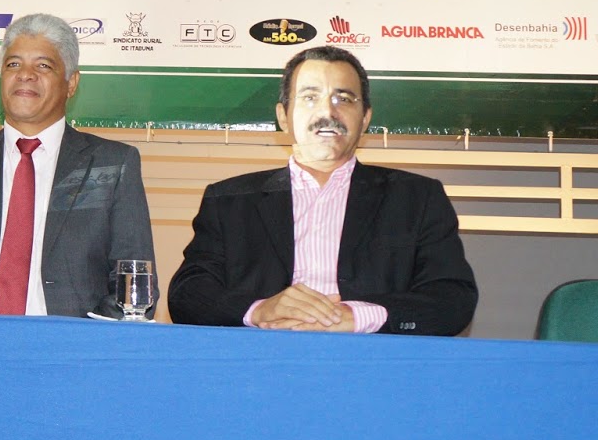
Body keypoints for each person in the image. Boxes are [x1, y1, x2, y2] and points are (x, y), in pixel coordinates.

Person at [168, 46, 476, 335]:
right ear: (283, 116)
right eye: (309, 97)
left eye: (344, 98)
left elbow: (453, 299)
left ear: (365, 118)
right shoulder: (229, 201)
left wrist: (358, 316)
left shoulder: (417, 198)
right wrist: (259, 310)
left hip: (372, 359)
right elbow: (188, 294)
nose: (328, 111)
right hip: (261, 356)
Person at [0, 13, 157, 317]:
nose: (25, 74)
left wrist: (83, 338)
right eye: (13, 64)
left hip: (69, 341)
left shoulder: (112, 164)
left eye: (43, 65)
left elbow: (135, 286)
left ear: (71, 83)